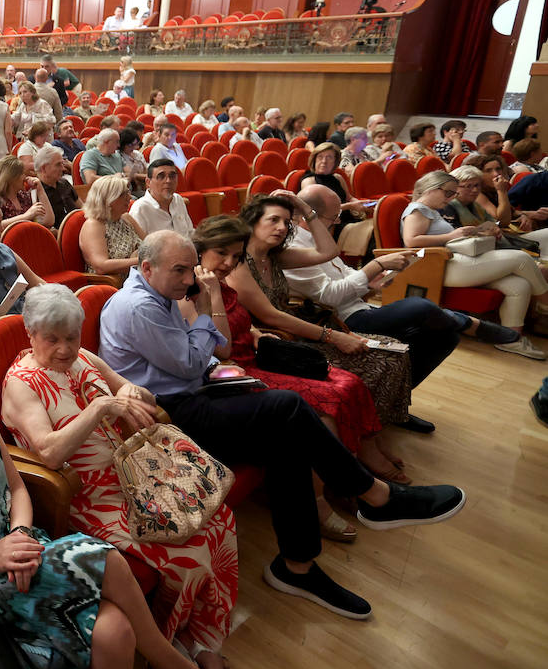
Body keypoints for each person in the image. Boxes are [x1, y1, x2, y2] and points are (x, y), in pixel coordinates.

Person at [0, 312, 252, 669]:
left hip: (21, 552)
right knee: (104, 557)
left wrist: (19, 533)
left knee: (116, 632)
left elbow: (17, 488)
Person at [99, 230, 467, 619]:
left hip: (193, 392)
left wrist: (213, 359)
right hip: (167, 419)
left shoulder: (161, 291)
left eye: (191, 268)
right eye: (180, 270)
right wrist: (206, 311)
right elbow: (190, 360)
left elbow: (202, 355)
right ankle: (375, 496)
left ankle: (297, 566)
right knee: (288, 407)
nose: (190, 279)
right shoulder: (139, 305)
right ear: (146, 268)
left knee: (286, 442)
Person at [1, 287, 242, 669]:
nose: (65, 349)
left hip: (138, 474)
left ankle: (201, 639)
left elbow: (136, 395)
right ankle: (169, 649)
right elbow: (47, 453)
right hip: (90, 496)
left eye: (72, 337)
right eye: (52, 339)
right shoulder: (21, 383)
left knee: (221, 520)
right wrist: (99, 408)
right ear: (30, 334)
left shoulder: (85, 358)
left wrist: (132, 390)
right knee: (189, 555)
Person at [223, 199, 409, 484]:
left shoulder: (274, 256)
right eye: (273, 219)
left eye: (286, 222)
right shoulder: (238, 264)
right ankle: (359, 449)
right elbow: (272, 317)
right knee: (374, 361)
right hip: (273, 344)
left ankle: (369, 439)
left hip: (297, 332)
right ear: (251, 222)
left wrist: (304, 208)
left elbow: (328, 251)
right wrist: (334, 337)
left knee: (393, 355)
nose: (282, 227)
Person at [286, 184, 517, 407]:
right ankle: (466, 322)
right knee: (421, 307)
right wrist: (374, 266)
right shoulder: (293, 248)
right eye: (333, 218)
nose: (337, 222)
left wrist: (372, 282)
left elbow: (345, 276)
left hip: (357, 308)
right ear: (310, 215)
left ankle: (394, 404)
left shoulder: (316, 238)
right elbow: (329, 297)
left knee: (446, 336)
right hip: (338, 320)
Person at [401, 170, 548, 358]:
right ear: (431, 189)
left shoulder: (431, 211)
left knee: (519, 285)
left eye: (453, 194)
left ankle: (511, 338)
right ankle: (545, 304)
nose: (451, 198)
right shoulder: (418, 209)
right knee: (521, 259)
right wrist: (452, 235)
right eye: (448, 193)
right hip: (439, 266)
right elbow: (411, 241)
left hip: (453, 261)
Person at [79, 174, 144, 279]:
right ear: (107, 200)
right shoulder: (94, 225)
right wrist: (142, 261)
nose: (129, 197)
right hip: (114, 283)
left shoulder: (127, 218)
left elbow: (149, 245)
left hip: (141, 275)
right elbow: (101, 266)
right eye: (122, 194)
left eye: (128, 192)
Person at [0, 155, 53, 230]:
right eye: (22, 173)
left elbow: (49, 221)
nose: (25, 177)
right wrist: (26, 216)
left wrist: (40, 190)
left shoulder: (23, 195)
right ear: (11, 177)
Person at [128, 160, 193, 237]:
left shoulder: (178, 199)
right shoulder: (140, 209)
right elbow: (139, 246)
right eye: (161, 177)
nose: (168, 181)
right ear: (148, 182)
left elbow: (190, 232)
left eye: (172, 176)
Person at [34, 145, 79, 227]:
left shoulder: (64, 183)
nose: (63, 168)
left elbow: (82, 208)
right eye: (58, 165)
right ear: (44, 168)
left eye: (62, 164)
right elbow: (40, 227)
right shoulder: (35, 192)